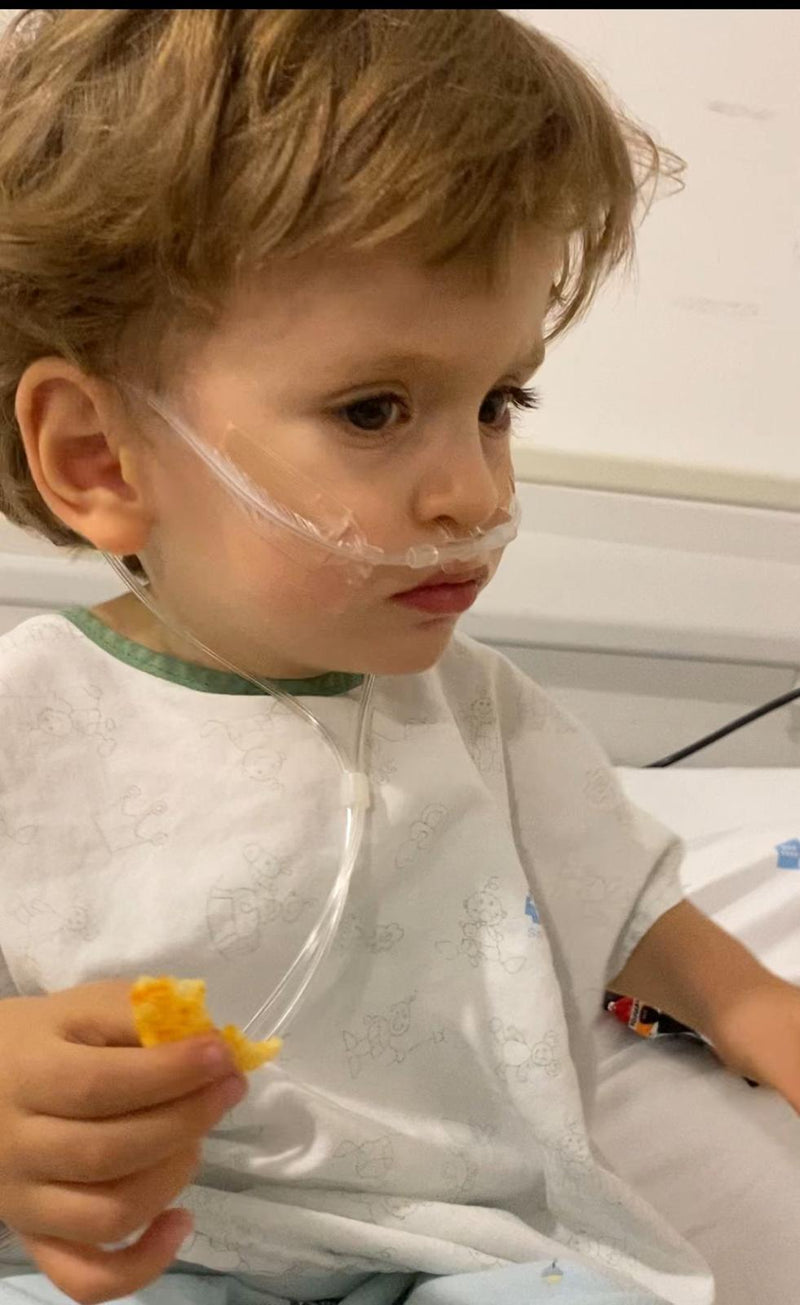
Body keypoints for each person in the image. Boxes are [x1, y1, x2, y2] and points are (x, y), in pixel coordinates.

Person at [0, 10, 796, 1305]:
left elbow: (626, 900)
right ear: (100, 457)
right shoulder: (32, 724)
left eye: (498, 403)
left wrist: (759, 1008)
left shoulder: (474, 712)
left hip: (462, 1237)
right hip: (150, 1242)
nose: (474, 491)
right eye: (374, 409)